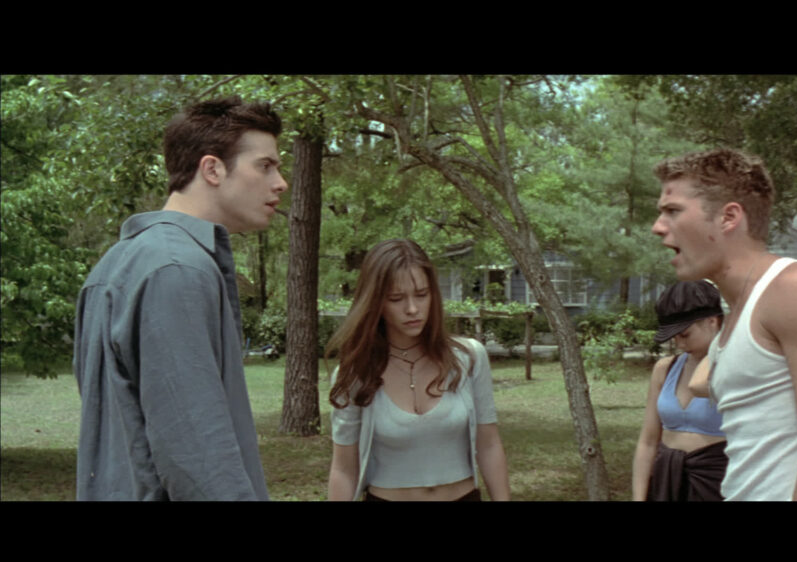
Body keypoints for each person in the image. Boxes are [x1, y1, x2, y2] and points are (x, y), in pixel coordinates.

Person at [73, 97, 288, 500]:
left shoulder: (116, 264)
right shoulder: (178, 271)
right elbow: (198, 458)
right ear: (212, 169)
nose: (280, 182)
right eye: (265, 165)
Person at [651, 148, 797, 501]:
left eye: (673, 211)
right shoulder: (736, 318)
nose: (658, 227)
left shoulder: (795, 288)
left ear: (728, 217)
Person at [326, 239, 511, 501]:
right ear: (375, 303)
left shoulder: (468, 358)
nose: (412, 309)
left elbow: (489, 444)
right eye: (396, 298)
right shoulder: (356, 374)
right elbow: (344, 469)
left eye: (422, 295)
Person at [633, 280, 728, 502]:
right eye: (673, 337)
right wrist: (639, 496)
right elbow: (647, 441)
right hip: (668, 481)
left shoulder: (734, 369)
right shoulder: (665, 369)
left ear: (712, 321)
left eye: (685, 334)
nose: (679, 344)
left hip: (718, 481)